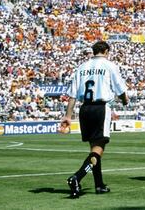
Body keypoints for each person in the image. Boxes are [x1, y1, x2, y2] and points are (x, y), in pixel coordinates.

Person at [60, 41, 129, 199]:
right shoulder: (109, 65)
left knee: (94, 148)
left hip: (85, 109)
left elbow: (72, 94)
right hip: (100, 108)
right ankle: (76, 177)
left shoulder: (82, 67)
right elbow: (120, 87)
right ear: (106, 51)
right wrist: (125, 100)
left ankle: (99, 184)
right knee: (98, 149)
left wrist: (68, 116)